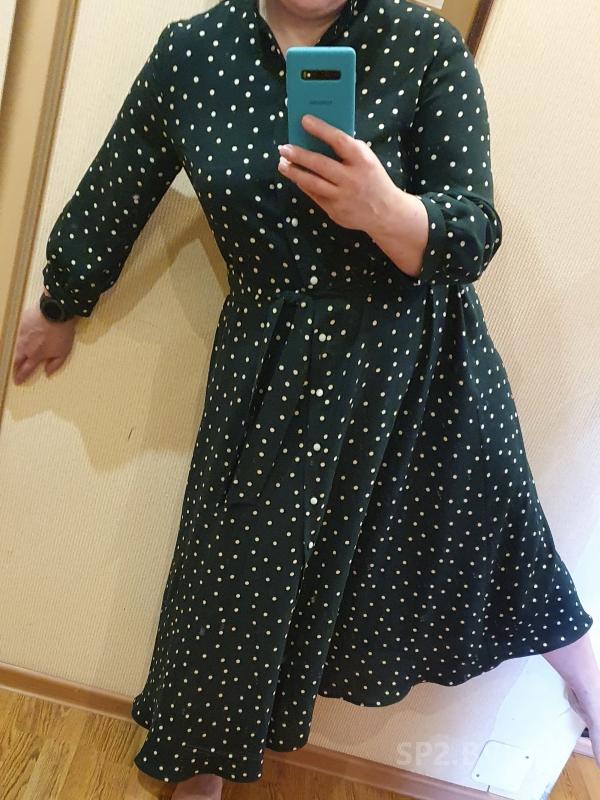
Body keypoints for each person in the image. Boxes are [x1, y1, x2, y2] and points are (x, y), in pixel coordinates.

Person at [12, 0, 599, 797]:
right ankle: (201, 771)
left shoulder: (422, 44)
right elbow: (121, 181)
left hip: (418, 362)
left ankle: (589, 687)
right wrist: (62, 299)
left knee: (496, 528)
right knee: (237, 582)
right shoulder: (193, 53)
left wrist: (385, 210)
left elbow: (471, 233)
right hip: (275, 369)